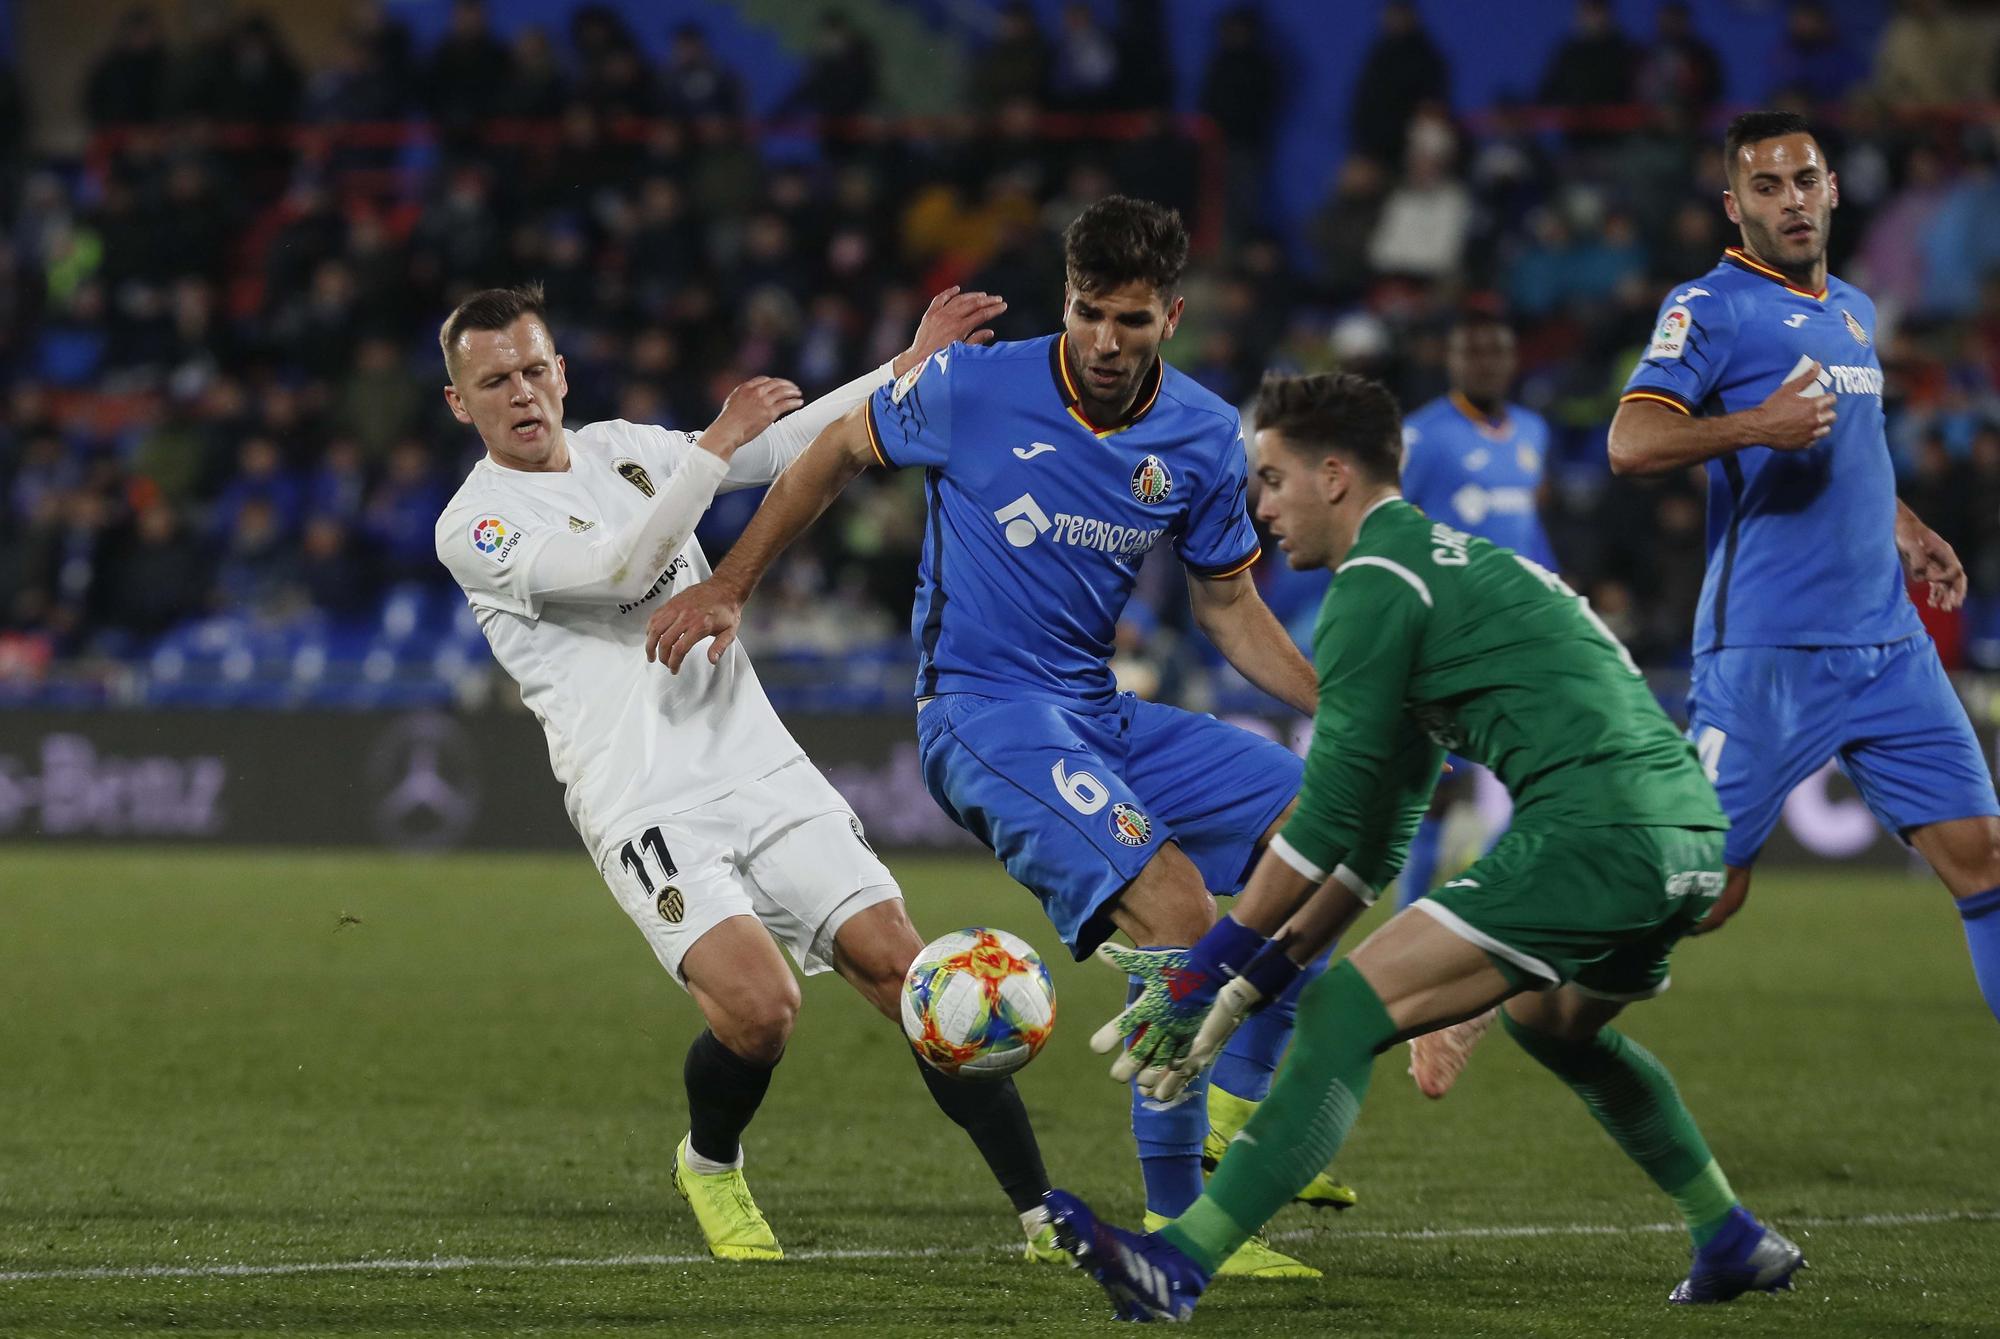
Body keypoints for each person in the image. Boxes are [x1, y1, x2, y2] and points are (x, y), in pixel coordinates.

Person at [646, 197, 1347, 1278]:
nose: (1106, 343)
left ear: (1172, 313)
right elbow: (832, 449)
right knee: (1172, 906)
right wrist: (733, 584)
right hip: (980, 709)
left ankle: (1230, 1101)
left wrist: (1337, 709)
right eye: (1087, 314)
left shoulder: (1205, 433)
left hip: (1094, 709)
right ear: (1065, 298)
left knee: (1319, 823)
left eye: (1131, 321)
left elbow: (1226, 607)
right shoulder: (973, 386)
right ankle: (1179, 1225)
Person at [1042, 371, 1805, 1321]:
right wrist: (1248, 982)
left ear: (1333, 476)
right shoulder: (1434, 567)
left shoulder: (1374, 583)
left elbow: (1321, 822)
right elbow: (1376, 836)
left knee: (1341, 1019)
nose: (1260, 506)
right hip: (1686, 835)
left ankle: (1180, 1263)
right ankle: (1729, 1235)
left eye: (1272, 480)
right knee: (1556, 1025)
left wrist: (1210, 968)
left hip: (1595, 829)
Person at [431, 282, 1066, 1265]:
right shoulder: (474, 525)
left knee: (910, 974)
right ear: (458, 403)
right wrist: (715, 443)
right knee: (762, 1011)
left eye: (531, 368)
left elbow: (792, 442)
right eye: (492, 381)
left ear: (559, 370)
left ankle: (1041, 1214)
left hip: (760, 764)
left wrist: (908, 363)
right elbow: (614, 572)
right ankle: (710, 1160)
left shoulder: (625, 449)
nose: (520, 392)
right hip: (641, 798)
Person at [1609, 111, 2000, 1026]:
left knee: (1984, 859)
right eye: (1768, 186)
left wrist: (1905, 526)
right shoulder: (1709, 307)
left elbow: (1849, 447)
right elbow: (1630, 440)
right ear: (1733, 205)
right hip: (1769, 649)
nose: (1792, 201)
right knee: (1704, 889)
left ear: (1833, 188)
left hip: (1889, 645)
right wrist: (1752, 425)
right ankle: (1508, 956)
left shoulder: (1856, 309)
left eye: (1805, 180)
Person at [1393, 312, 1556, 1095]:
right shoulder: (1422, 438)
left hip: (1527, 641)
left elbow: (1529, 530)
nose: (1486, 357)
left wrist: (1565, 594)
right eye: (1471, 345)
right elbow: (1394, 531)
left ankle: (1485, 923)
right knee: (1437, 797)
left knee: (1548, 792)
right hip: (1450, 640)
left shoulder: (1532, 430)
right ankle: (1406, 944)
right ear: (1451, 354)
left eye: (1496, 344)